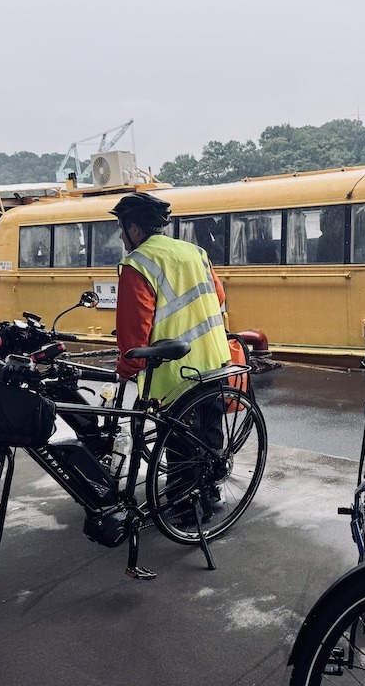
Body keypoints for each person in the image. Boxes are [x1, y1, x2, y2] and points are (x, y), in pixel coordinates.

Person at [110, 192, 231, 524]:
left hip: (176, 370)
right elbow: (217, 296)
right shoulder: (195, 251)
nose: (121, 236)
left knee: (179, 444)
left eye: (121, 228)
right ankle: (210, 493)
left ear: (134, 229)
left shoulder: (138, 264)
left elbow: (134, 336)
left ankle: (188, 510)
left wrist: (125, 368)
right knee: (208, 432)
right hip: (215, 359)